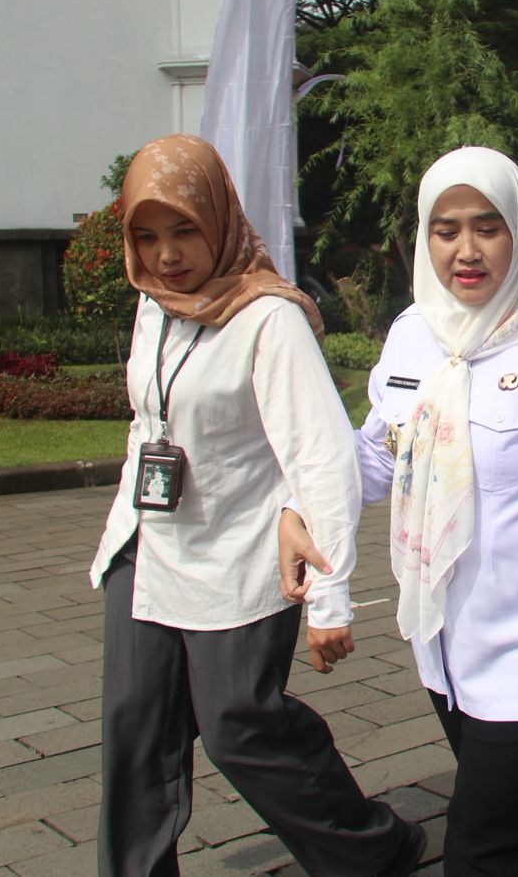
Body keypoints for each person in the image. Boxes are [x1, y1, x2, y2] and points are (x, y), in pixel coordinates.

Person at [281, 146, 518, 876]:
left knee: (485, 847)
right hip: (446, 640)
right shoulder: (413, 334)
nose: (467, 250)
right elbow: (379, 453)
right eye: (446, 230)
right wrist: (303, 505)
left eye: (488, 227)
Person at [89, 134, 424, 877]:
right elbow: (149, 421)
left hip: (240, 553)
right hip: (148, 544)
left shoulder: (268, 317)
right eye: (146, 236)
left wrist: (330, 597)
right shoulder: (154, 306)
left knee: (239, 727)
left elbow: (321, 456)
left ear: (219, 218)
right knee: (134, 728)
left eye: (184, 230)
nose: (166, 254)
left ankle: (372, 848)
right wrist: (122, 529)